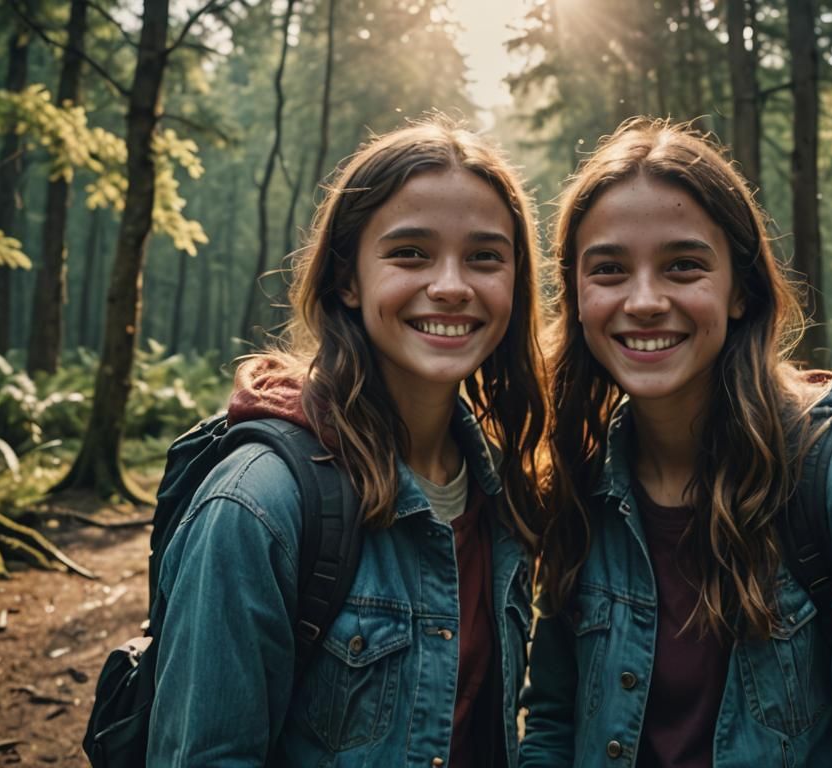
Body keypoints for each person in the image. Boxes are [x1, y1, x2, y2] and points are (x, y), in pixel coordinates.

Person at [519, 119, 832, 767]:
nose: (643, 300)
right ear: (578, 297)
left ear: (741, 290)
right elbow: (555, 722)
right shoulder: (579, 485)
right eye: (609, 269)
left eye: (683, 266)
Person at [147, 118, 546, 767]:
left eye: (484, 256)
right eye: (410, 252)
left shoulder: (505, 489)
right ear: (347, 280)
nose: (451, 284)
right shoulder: (256, 505)